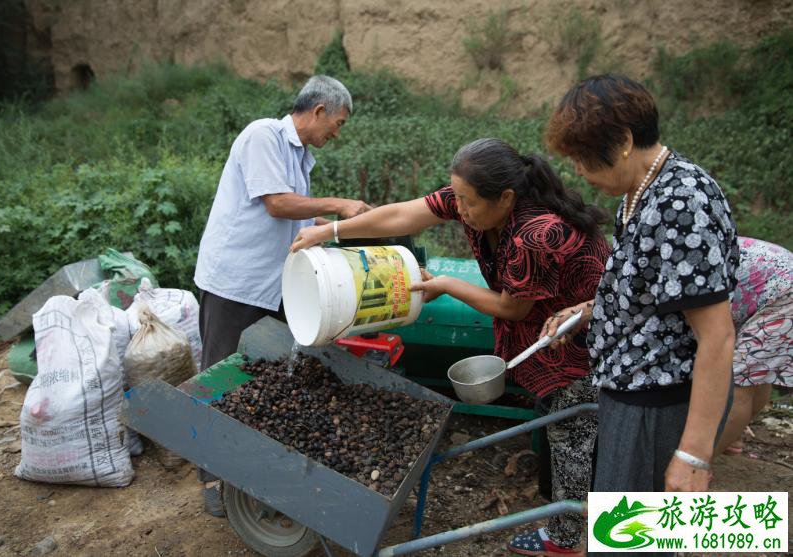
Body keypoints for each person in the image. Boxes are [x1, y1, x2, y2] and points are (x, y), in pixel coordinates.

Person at [292, 137, 611, 556]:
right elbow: (404, 215)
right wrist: (331, 230)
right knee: (565, 432)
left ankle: (569, 541)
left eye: (467, 202)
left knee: (574, 434)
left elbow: (512, 309)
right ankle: (576, 517)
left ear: (506, 197)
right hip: (547, 339)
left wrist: (447, 284)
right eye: (455, 197)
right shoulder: (478, 200)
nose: (458, 209)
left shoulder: (535, 234)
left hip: (584, 341)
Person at [542, 74, 739, 555]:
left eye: (585, 158)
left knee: (633, 539)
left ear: (625, 141)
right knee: (645, 536)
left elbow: (718, 339)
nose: (580, 171)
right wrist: (592, 310)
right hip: (632, 390)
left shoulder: (679, 204)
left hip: (658, 406)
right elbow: (653, 292)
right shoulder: (639, 192)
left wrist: (692, 454)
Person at [193, 75, 372, 516]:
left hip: (273, 283)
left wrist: (333, 239)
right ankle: (211, 477)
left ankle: (250, 460)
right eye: (339, 123)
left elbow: (293, 224)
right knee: (222, 373)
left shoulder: (302, 156)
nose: (337, 132)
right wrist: (339, 206)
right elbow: (277, 204)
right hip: (235, 281)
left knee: (269, 370)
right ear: (318, 111)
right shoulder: (263, 136)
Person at [716, 237, 792, 456]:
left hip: (779, 292)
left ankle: (700, 464)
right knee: (754, 374)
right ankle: (730, 434)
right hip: (777, 282)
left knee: (738, 384)